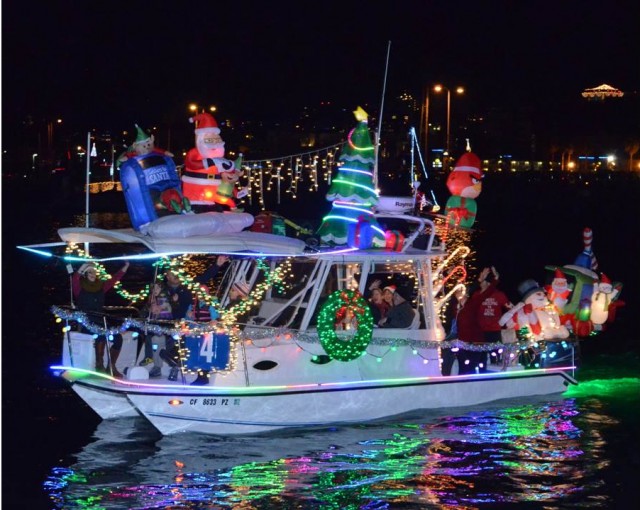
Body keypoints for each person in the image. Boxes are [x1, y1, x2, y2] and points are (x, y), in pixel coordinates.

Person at [72, 261, 129, 376]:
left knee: (118, 338)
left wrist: (125, 267)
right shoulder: (79, 287)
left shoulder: (101, 286)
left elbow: (114, 280)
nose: (93, 274)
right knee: (101, 334)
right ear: (85, 274)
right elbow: (75, 278)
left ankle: (111, 366)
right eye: (90, 272)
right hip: (86, 322)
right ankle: (99, 364)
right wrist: (82, 267)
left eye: (94, 272)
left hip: (100, 320)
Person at [441, 286, 466, 376]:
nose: (462, 294)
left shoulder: (464, 306)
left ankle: (448, 374)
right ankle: (445, 375)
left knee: (451, 356)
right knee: (446, 356)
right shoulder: (452, 303)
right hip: (449, 334)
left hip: (457, 335)